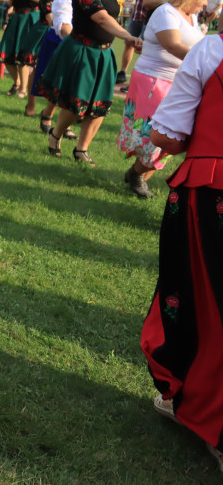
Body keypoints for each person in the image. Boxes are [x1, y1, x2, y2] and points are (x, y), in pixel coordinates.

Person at [140, 29, 223, 474]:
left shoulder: (213, 49)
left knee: (201, 305)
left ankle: (206, 411)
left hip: (213, 189)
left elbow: (168, 137)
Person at [39, 0, 141, 166]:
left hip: (104, 53)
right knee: (77, 104)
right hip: (83, 51)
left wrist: (124, 35)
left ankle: (81, 150)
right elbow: (102, 18)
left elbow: (112, 16)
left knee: (100, 105)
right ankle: (56, 134)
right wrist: (128, 36)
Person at [117, 0, 212, 197]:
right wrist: (207, 62)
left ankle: (137, 174)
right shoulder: (166, 12)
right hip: (155, 81)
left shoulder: (191, 17)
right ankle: (138, 176)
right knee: (159, 134)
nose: (206, 3)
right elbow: (173, 46)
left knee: (175, 136)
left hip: (179, 83)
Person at [26, 0, 72, 118]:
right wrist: (62, 30)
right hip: (48, 32)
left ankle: (50, 111)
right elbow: (50, 16)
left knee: (63, 74)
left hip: (67, 33)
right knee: (39, 69)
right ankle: (30, 103)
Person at [0, 0, 45, 98]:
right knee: (7, 53)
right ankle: (17, 82)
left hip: (31, 18)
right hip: (17, 18)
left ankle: (24, 89)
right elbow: (12, 3)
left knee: (23, 55)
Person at [119, 0, 164, 84]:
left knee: (144, 48)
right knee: (129, 43)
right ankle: (122, 72)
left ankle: (138, 77)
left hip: (149, 18)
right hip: (136, 14)